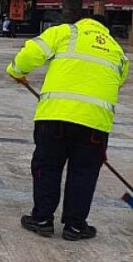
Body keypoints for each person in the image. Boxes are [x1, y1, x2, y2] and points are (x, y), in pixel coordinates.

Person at [7, 15, 128, 241]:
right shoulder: (117, 49)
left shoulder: (66, 32)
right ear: (105, 29)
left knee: (48, 167)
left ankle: (42, 220)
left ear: (83, 22)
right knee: (84, 173)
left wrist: (16, 70)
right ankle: (75, 226)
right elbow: (117, 81)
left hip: (55, 116)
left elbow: (32, 53)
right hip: (95, 123)